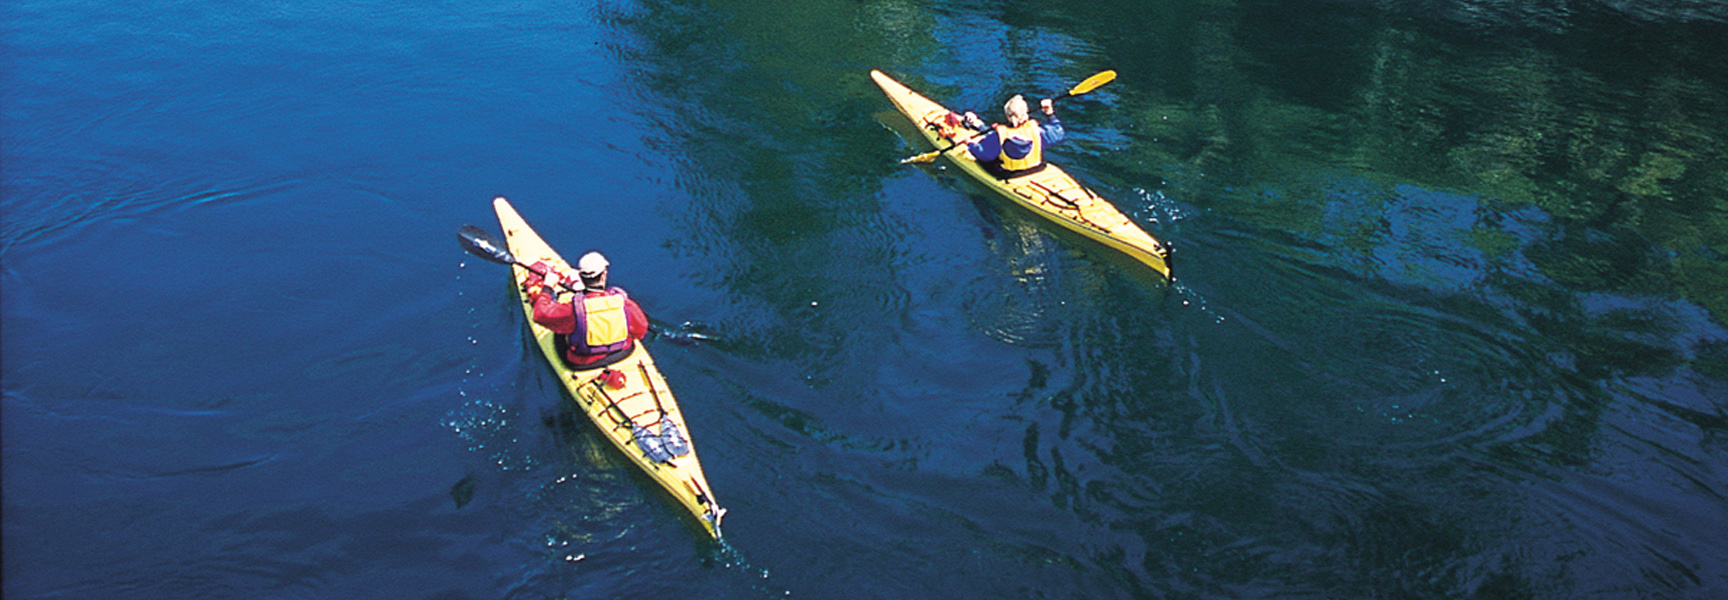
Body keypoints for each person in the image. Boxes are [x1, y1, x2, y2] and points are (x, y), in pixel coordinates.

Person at [522, 251, 650, 369]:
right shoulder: (625, 304)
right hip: (622, 353)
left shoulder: (572, 311)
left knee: (560, 331)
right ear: (604, 275)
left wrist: (548, 287)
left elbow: (540, 314)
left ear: (581, 276)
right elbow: (640, 331)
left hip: (583, 361)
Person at [963, 94, 1065, 178]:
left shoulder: (998, 136)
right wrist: (1049, 113)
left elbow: (984, 155)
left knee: (988, 161)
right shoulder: (1038, 131)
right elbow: (1058, 132)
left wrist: (970, 144)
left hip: (1009, 174)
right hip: (1036, 169)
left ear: (1007, 115)